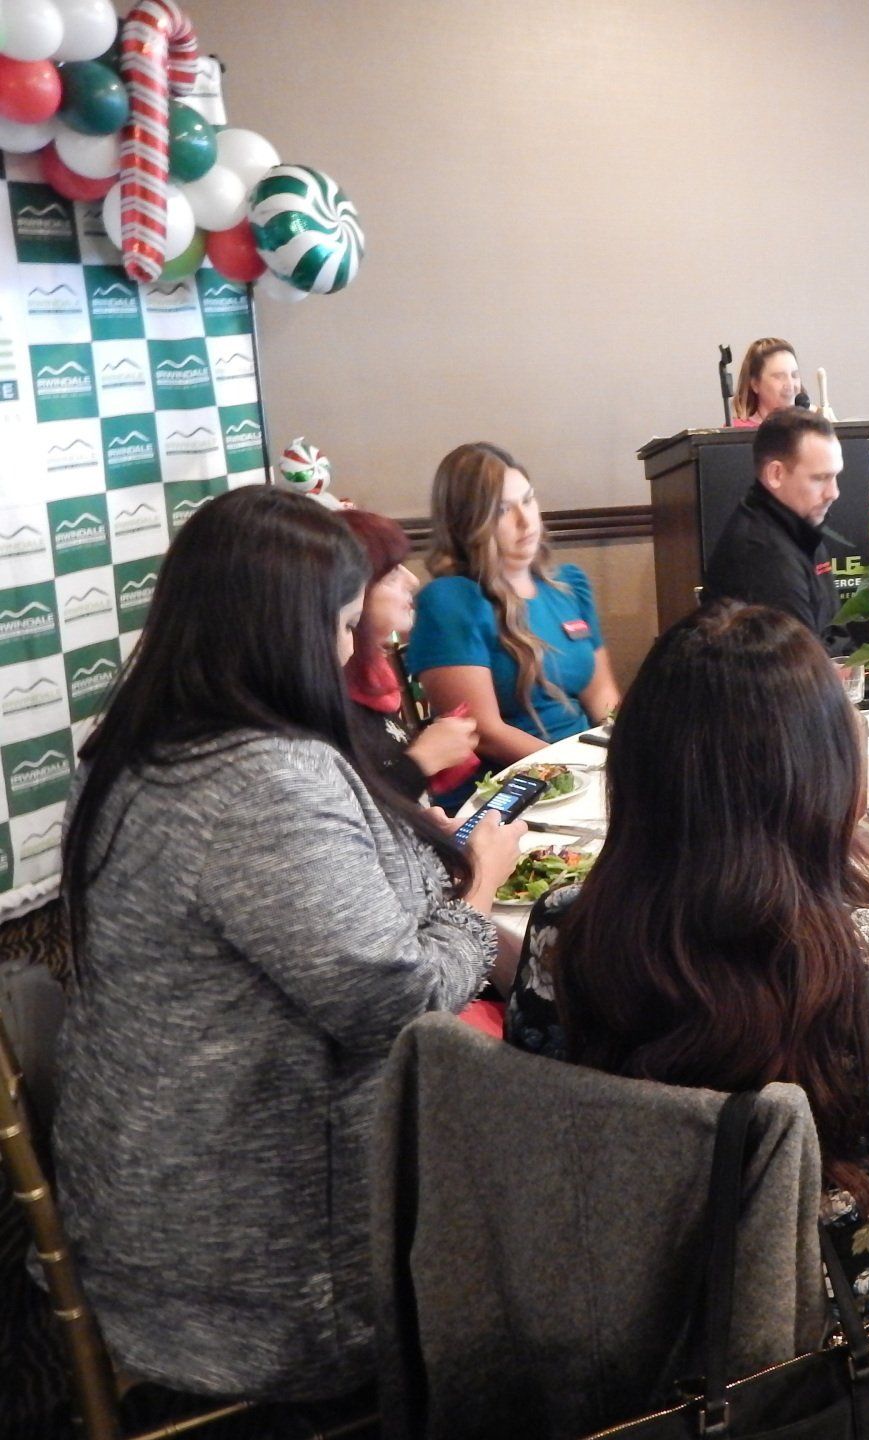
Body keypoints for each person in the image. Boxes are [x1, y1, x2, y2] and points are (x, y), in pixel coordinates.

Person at [53, 486, 524, 1404]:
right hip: (261, 1269)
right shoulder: (258, 779)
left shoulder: (144, 745)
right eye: (344, 624)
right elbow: (398, 998)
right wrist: (479, 893)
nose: (356, 648)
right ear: (279, 630)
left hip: (175, 1204)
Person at [504, 602, 869, 1436]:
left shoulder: (566, 927)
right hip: (836, 1346)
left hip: (628, 1318)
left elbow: (548, 1133)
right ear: (821, 774)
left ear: (638, 773)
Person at [409, 442, 621, 765]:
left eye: (528, 500)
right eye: (504, 510)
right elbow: (484, 733)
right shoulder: (451, 600)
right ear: (469, 522)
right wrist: (577, 769)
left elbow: (602, 697)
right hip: (511, 785)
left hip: (585, 763)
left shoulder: (570, 585)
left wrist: (626, 750)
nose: (526, 520)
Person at [339, 508, 480, 801]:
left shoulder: (370, 670)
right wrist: (422, 760)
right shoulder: (330, 693)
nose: (413, 581)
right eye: (391, 574)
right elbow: (350, 815)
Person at [702, 406, 852, 654]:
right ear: (776, 474)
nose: (834, 493)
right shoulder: (763, 553)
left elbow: (836, 636)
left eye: (835, 477)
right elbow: (798, 670)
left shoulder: (801, 529)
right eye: (820, 478)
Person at [730, 335, 801, 426]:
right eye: (779, 376)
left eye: (794, 375)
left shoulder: (810, 429)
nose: (790, 384)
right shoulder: (736, 433)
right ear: (755, 384)